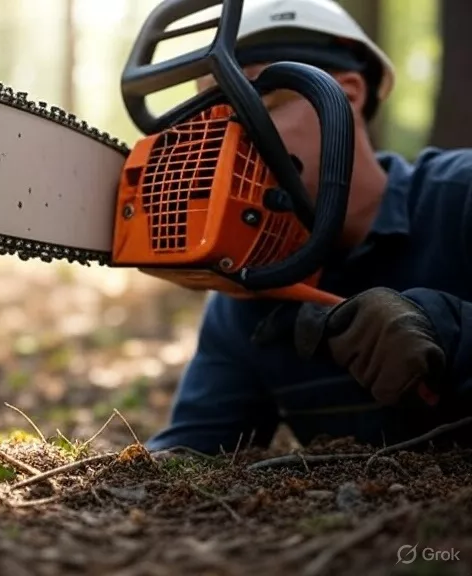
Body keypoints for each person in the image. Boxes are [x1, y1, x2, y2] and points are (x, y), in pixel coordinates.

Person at [145, 0, 472, 456]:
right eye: (216, 121)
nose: (229, 142)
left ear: (347, 93)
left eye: (263, 104)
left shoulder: (459, 195)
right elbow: (195, 449)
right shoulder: (252, 282)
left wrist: (448, 330)